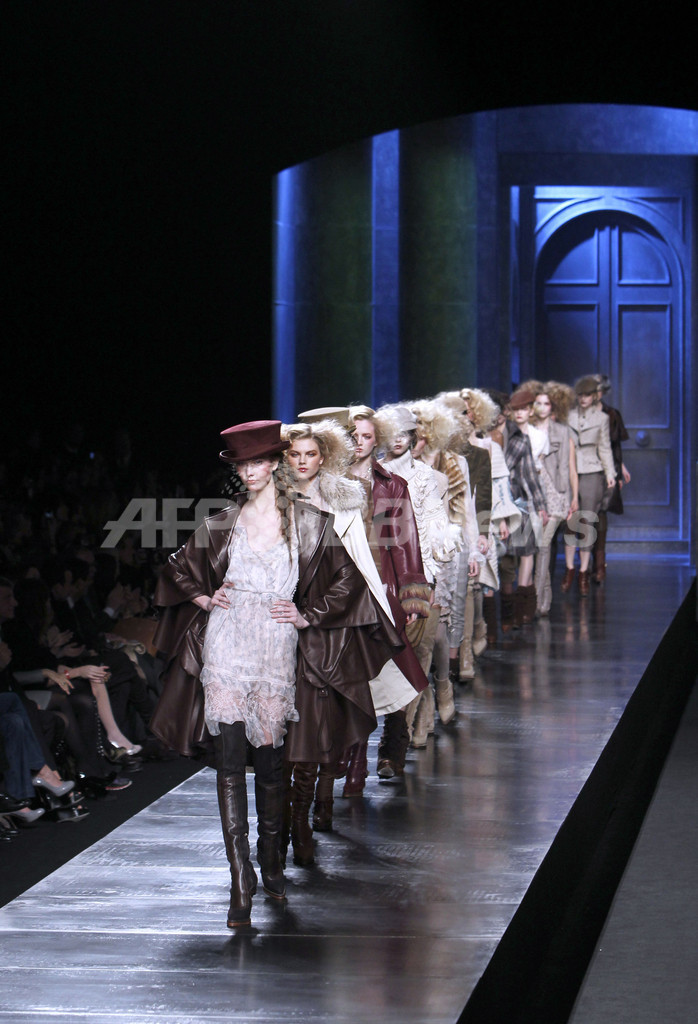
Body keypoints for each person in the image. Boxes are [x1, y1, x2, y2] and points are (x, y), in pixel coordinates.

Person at [150, 420, 404, 928]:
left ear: (273, 463)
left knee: (269, 765)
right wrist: (204, 598)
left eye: (257, 462)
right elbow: (176, 566)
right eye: (241, 464)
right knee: (229, 764)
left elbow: (348, 580)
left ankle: (271, 864)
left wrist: (309, 615)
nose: (249, 472)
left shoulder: (308, 521)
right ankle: (239, 878)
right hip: (226, 644)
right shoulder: (223, 521)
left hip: (276, 649)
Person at [346, 406, 430, 783]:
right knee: (353, 676)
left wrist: (411, 595)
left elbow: (403, 543)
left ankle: (390, 748)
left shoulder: (391, 485)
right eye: (353, 436)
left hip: (381, 587)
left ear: (376, 440)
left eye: (366, 436)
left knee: (392, 667)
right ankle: (354, 760)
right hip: (343, 589)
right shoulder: (330, 481)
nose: (359, 443)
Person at [563, 377, 616, 595]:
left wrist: (610, 473)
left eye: (587, 395)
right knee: (569, 521)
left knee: (587, 522)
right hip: (568, 470)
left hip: (592, 470)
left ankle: (584, 572)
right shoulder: (568, 416)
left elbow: (604, 447)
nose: (583, 399)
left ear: (595, 396)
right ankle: (569, 569)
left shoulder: (602, 418)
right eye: (580, 395)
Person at [531, 384, 578, 616]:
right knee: (539, 547)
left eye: (546, 403)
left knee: (543, 545)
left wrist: (573, 498)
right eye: (538, 403)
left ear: (553, 407)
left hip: (556, 493)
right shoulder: (526, 430)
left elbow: (569, 468)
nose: (542, 407)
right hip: (532, 493)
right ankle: (543, 601)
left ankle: (537, 600)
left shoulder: (562, 431)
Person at [503, 390, 550, 625]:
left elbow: (531, 472)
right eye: (516, 409)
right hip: (502, 500)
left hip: (519, 500)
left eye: (524, 409)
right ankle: (515, 610)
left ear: (530, 411)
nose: (519, 413)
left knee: (527, 551)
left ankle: (521, 608)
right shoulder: (505, 434)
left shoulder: (531, 438)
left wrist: (541, 505)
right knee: (508, 557)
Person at [592, 375, 631, 583]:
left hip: (606, 469)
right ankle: (585, 564)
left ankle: (599, 565)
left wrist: (619, 470)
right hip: (583, 468)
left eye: (597, 389)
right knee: (585, 514)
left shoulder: (611, 414)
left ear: (603, 392)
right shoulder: (578, 414)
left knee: (601, 512)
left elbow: (615, 445)